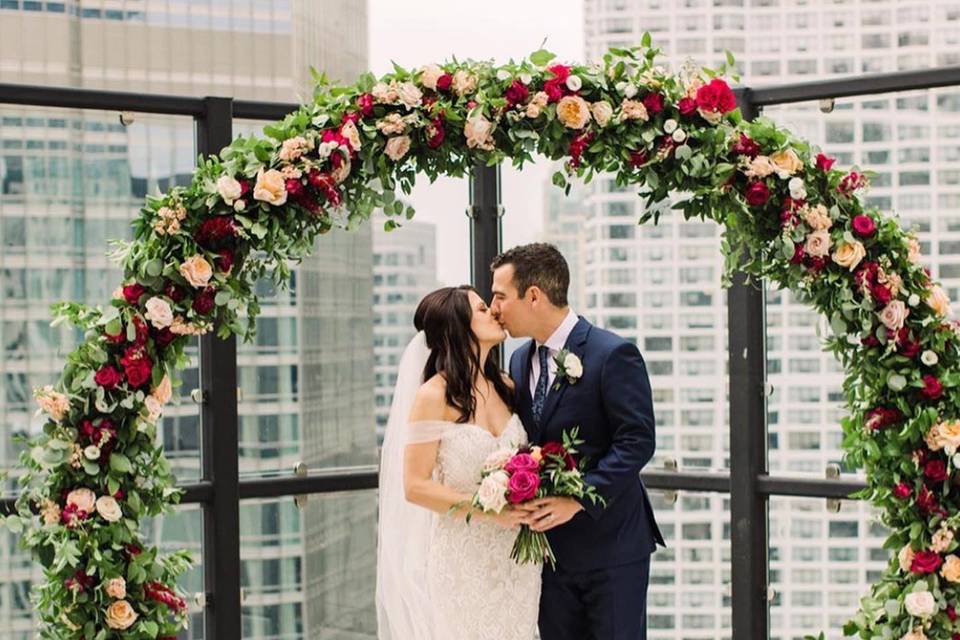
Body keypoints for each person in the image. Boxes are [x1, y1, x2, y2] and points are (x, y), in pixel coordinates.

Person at [490, 242, 665, 640]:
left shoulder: (612, 353)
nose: (494, 307)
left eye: (500, 296)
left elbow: (637, 441)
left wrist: (578, 498)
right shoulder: (518, 360)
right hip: (549, 557)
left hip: (613, 551)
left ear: (533, 295)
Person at [375, 285, 541, 640]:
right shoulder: (433, 395)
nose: (493, 312)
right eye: (482, 309)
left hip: (516, 558)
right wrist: (490, 511)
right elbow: (415, 486)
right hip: (463, 559)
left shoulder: (507, 386)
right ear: (458, 325)